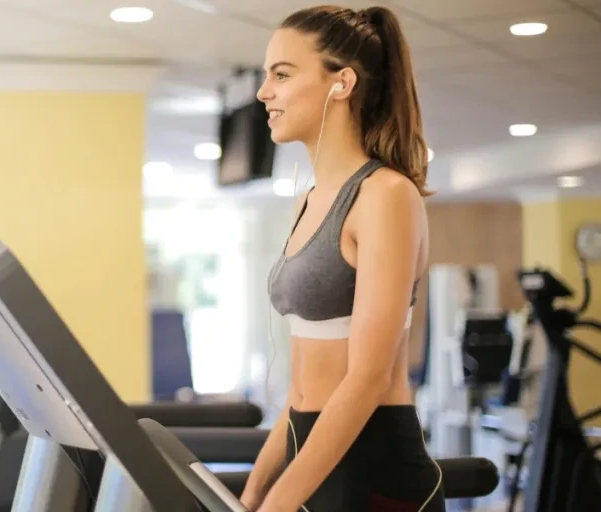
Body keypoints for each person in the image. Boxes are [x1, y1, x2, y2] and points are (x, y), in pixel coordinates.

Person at [241, 5, 444, 512]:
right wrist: (256, 488)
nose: (264, 92)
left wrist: (281, 502)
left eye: (282, 75)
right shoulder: (309, 199)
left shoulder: (385, 195)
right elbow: (304, 388)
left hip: (372, 463)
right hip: (312, 451)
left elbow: (367, 378)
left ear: (342, 82)